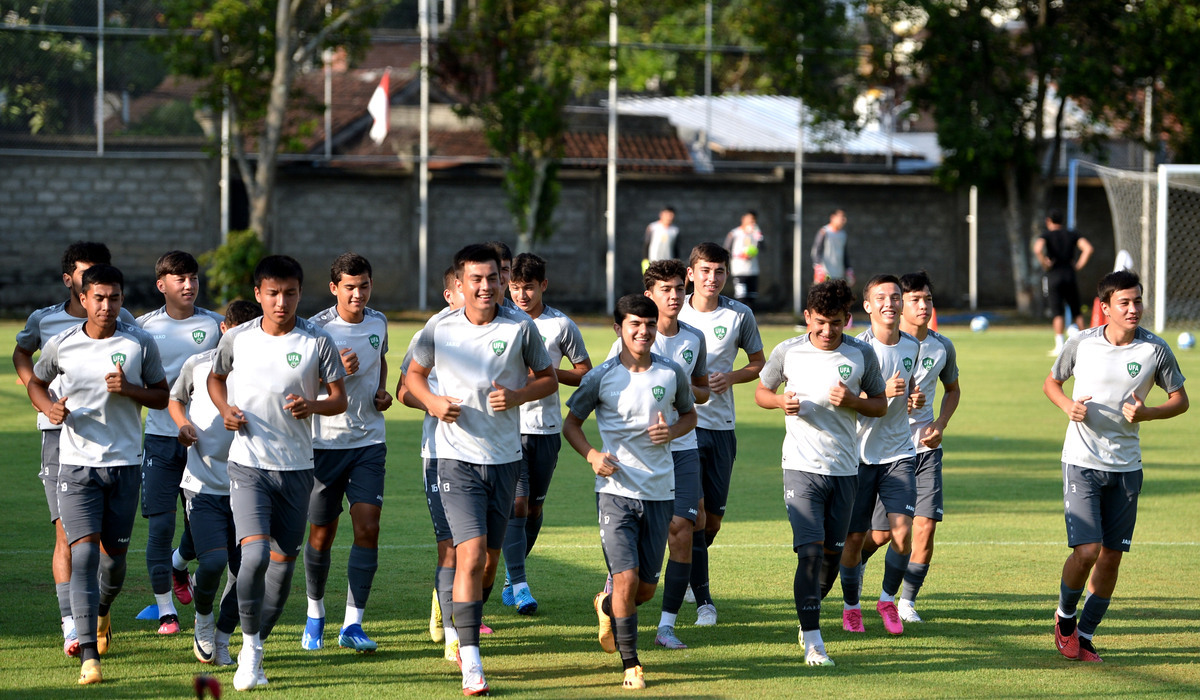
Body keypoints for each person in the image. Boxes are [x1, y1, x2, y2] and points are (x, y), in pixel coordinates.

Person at [405, 243, 558, 696]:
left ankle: (460, 618)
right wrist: (433, 402)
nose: (486, 286)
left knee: (490, 561)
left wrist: (516, 396)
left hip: (505, 458)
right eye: (477, 279)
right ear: (461, 283)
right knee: (468, 553)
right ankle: (470, 658)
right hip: (454, 458)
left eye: (493, 278)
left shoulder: (520, 328)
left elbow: (547, 378)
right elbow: (413, 376)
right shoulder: (440, 328)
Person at [208, 255, 349, 691]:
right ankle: (248, 652)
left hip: (297, 469)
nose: (281, 302)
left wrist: (313, 406)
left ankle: (255, 643)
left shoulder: (317, 341)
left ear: (300, 294)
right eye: (272, 293)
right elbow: (216, 378)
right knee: (253, 557)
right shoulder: (240, 339)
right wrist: (225, 409)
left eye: (289, 293)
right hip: (248, 464)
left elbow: (339, 398)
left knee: (282, 570)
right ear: (258, 294)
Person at [26, 263, 170, 685]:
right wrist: (47, 408)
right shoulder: (62, 344)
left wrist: (130, 390)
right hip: (75, 465)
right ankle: (89, 654)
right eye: (99, 298)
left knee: (114, 563)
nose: (107, 306)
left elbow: (162, 396)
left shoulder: (140, 342)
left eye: (115, 298)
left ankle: (103, 612)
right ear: (84, 299)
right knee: (84, 554)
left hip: (124, 465)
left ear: (123, 300)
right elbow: (36, 382)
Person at [1044, 269, 1188, 663]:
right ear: (1104, 308)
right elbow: (1051, 383)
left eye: (1138, 301)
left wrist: (1148, 413)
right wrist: (1067, 406)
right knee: (1087, 549)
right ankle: (1065, 616)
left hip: (1126, 467)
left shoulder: (1154, 350)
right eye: (1124, 302)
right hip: (1081, 461)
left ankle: (1085, 634)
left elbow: (1181, 399)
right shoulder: (1082, 344)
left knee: (1111, 556)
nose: (1133, 309)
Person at [564, 294, 697, 690]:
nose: (643, 332)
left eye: (649, 324)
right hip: (615, 491)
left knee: (643, 589)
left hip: (660, 492)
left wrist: (670, 431)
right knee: (625, 578)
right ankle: (631, 664)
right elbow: (570, 423)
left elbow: (690, 415)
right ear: (619, 328)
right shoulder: (601, 377)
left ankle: (605, 607)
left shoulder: (672, 373)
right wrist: (591, 455)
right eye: (634, 324)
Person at [12, 241, 136, 658]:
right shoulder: (45, 321)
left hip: (116, 447)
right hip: (59, 438)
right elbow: (22, 354)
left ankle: (96, 610)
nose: (100, 294)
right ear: (72, 283)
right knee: (67, 532)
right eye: (87, 279)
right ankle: (72, 626)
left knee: (109, 550)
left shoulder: (126, 323)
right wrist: (43, 399)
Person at [755, 279, 886, 666]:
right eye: (820, 322)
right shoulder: (788, 352)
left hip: (845, 470)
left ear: (848, 319)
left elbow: (879, 405)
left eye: (836, 323)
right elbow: (762, 392)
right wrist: (780, 401)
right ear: (808, 317)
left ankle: (807, 616)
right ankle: (813, 640)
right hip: (800, 467)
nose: (827, 331)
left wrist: (853, 400)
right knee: (809, 552)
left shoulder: (862, 355)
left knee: (833, 552)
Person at [301, 253, 393, 653]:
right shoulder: (315, 330)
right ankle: (315, 614)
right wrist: (332, 373)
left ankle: (353, 624)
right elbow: (301, 388)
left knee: (368, 528)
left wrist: (380, 391)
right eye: (350, 287)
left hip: (369, 442)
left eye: (365, 285)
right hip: (324, 445)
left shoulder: (379, 321)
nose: (358, 294)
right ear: (334, 288)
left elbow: (382, 359)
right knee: (321, 535)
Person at [170, 300, 263, 667]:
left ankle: (223, 637)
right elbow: (176, 399)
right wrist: (183, 425)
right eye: (235, 335)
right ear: (224, 330)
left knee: (246, 574)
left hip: (252, 485)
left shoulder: (263, 368)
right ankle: (204, 619)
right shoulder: (198, 364)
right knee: (211, 563)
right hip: (203, 485)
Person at [137, 250, 225, 635]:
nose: (188, 286)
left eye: (193, 278)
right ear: (162, 285)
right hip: (160, 439)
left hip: (204, 443)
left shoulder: (217, 325)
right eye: (179, 280)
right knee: (159, 526)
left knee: (199, 526)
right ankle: (166, 611)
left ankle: (177, 564)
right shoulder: (142, 329)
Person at [678, 242, 765, 626]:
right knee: (694, 517)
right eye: (705, 271)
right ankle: (704, 602)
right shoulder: (672, 311)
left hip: (723, 428)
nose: (712, 279)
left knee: (711, 522)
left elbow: (758, 363)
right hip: (686, 429)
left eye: (719, 272)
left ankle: (685, 564)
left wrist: (730, 377)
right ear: (690, 273)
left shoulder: (739, 314)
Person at [502, 253, 592, 614]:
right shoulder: (501, 321)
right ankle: (521, 584)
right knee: (518, 503)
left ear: (543, 285)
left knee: (535, 508)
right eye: (515, 288)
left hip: (546, 428)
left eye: (528, 288)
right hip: (508, 428)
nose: (521, 296)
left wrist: (549, 375)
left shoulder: (561, 326)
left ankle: (510, 574)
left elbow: (584, 371)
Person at [838, 274, 923, 637]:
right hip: (858, 457)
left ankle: (887, 600)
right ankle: (851, 607)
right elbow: (844, 406)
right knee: (854, 539)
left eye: (895, 297)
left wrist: (913, 397)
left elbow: (911, 385)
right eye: (881, 298)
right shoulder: (855, 350)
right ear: (868, 306)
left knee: (903, 534)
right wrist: (881, 394)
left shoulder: (912, 346)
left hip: (900, 452)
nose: (890, 303)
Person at [397, 267, 473, 663]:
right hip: (441, 453)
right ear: (450, 293)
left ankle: (447, 600)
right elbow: (403, 390)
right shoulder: (433, 331)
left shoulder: (507, 326)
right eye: (464, 286)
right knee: (450, 547)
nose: (476, 292)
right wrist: (433, 403)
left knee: (480, 553)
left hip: (493, 454)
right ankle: (455, 640)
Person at [1034, 209, 1094, 356]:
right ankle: (1086, 343)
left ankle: (1059, 345)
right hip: (1069, 274)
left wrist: (1045, 263)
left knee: (1057, 311)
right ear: (1062, 221)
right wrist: (1078, 265)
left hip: (1054, 275)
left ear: (1048, 221)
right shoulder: (1072, 234)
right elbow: (1088, 248)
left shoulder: (1046, 235)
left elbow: (1037, 249)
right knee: (1076, 310)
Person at [723, 211, 765, 307]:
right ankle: (741, 319)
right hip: (739, 270)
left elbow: (762, 247)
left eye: (754, 220)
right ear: (743, 219)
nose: (752, 222)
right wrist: (739, 255)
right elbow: (726, 250)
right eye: (750, 219)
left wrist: (759, 235)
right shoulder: (735, 233)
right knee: (741, 297)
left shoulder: (755, 233)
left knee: (752, 297)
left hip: (753, 270)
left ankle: (750, 320)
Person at [811, 209, 854, 285]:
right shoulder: (824, 232)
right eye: (841, 217)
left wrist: (848, 270)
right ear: (833, 217)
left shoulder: (843, 234)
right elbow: (816, 251)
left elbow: (844, 254)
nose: (844, 220)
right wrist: (818, 268)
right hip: (825, 273)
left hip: (838, 274)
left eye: (844, 217)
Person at [642, 207, 679, 272]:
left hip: (668, 263)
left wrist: (676, 262)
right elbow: (646, 244)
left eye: (671, 215)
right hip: (653, 261)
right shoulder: (652, 227)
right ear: (661, 214)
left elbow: (675, 248)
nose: (669, 217)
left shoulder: (675, 230)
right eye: (667, 215)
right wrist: (645, 260)